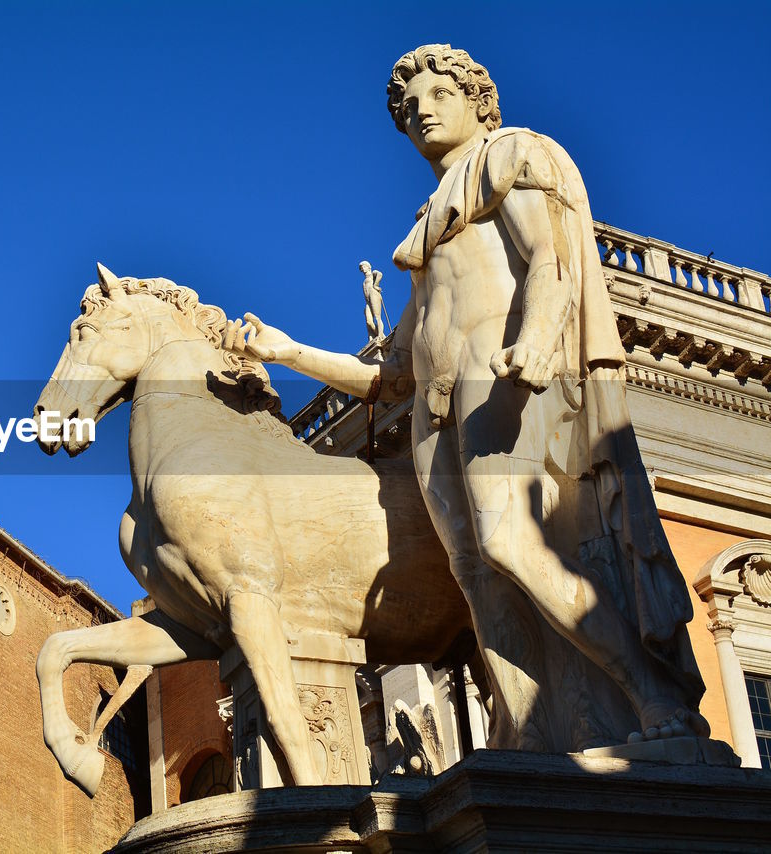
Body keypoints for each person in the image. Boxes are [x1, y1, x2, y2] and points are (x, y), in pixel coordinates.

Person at [224, 44, 707, 750]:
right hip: (436, 406)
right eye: (406, 105)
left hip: (499, 372)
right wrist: (286, 351)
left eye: (436, 95)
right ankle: (534, 736)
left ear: (477, 101)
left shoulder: (507, 156)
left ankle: (653, 696)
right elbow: (391, 375)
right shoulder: (428, 225)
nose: (419, 110)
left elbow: (550, 257)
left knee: (513, 539)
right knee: (478, 577)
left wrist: (540, 336)